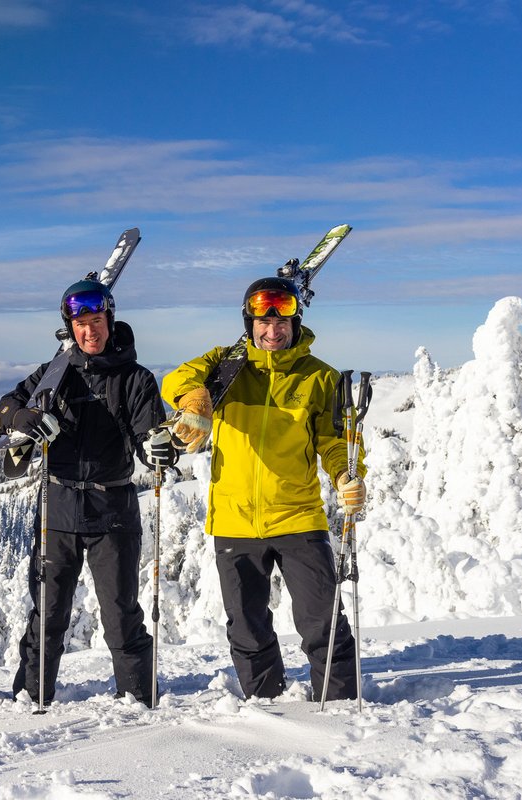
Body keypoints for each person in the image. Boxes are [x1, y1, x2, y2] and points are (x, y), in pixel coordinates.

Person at [161, 276, 367, 701]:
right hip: (235, 520)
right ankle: (266, 705)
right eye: (263, 322)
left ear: (295, 323)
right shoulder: (226, 366)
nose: (272, 331)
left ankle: (341, 703)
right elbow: (176, 379)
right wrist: (195, 398)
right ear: (249, 321)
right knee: (247, 625)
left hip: (297, 517)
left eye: (282, 323)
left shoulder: (319, 378)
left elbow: (334, 442)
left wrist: (346, 474)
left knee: (320, 620)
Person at [0, 278, 170, 708]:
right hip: (59, 506)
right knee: (48, 613)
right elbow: (2, 410)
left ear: (110, 320)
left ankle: (139, 699)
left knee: (120, 612)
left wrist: (157, 447)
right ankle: (30, 697)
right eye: (80, 324)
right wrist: (25, 417)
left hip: (113, 508)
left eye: (96, 321)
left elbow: (150, 437)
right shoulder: (55, 374)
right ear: (69, 328)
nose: (89, 331)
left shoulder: (136, 378)